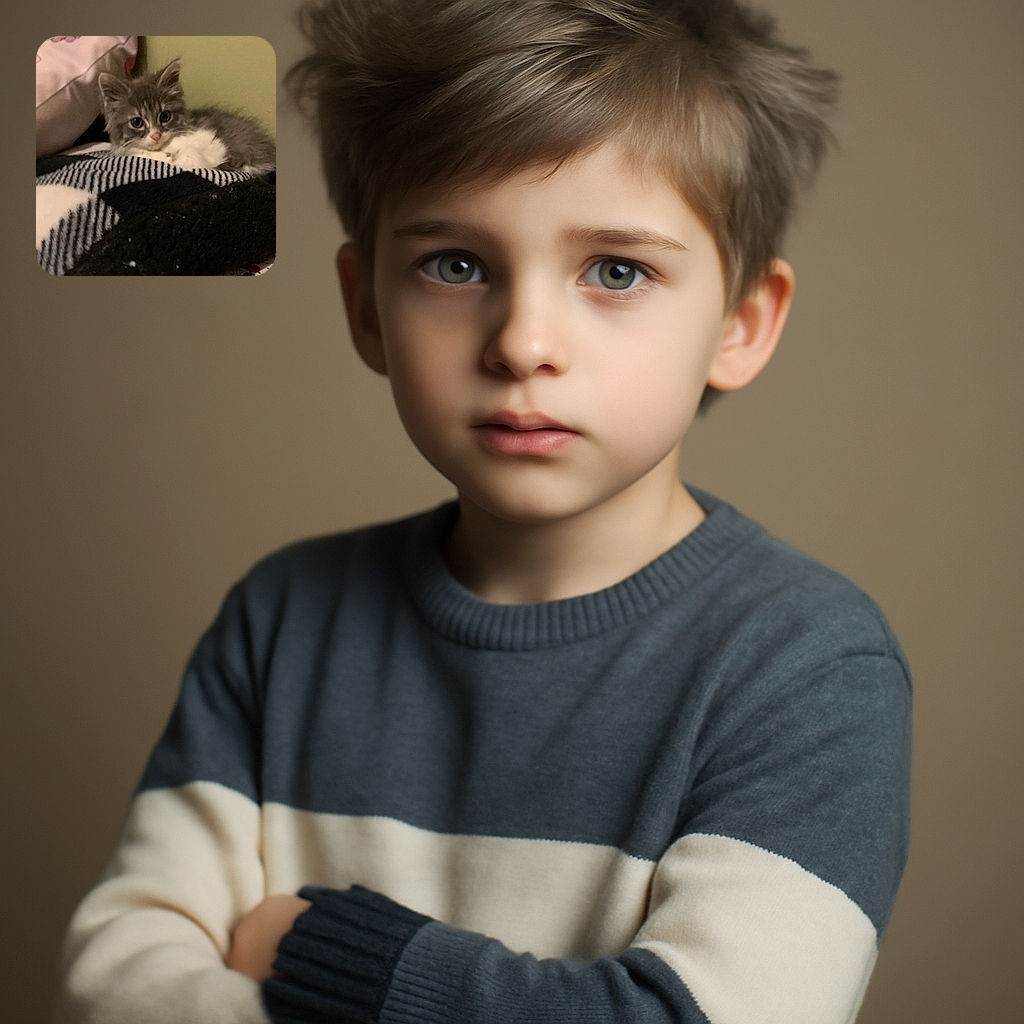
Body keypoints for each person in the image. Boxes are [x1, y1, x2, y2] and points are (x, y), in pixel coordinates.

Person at [52, 2, 911, 1022]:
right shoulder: (281, 621)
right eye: (455, 265)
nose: (524, 341)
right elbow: (114, 981)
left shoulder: (806, 665)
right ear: (366, 304)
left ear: (741, 323)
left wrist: (331, 958)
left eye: (616, 270)